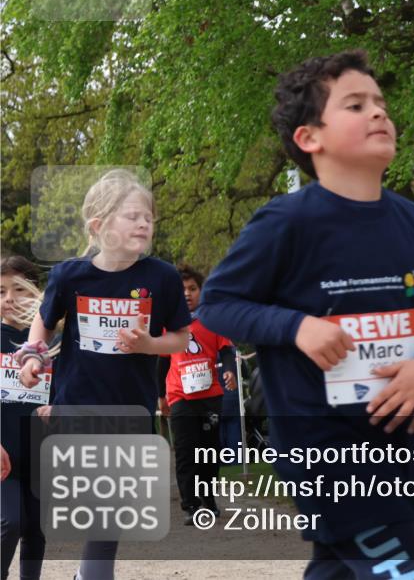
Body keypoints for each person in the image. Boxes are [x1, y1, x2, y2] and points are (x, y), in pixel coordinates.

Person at [198, 50, 414, 580]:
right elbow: (217, 305)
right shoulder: (286, 222)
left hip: (397, 449)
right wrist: (296, 327)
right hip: (324, 451)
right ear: (309, 138)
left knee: (338, 568)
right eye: (356, 105)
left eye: (380, 103)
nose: (379, 113)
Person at [17, 169, 191, 580]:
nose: (144, 223)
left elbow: (182, 339)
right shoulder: (71, 275)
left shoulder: (161, 278)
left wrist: (149, 345)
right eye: (132, 216)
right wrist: (32, 356)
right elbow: (43, 322)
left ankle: (90, 574)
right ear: (99, 226)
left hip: (130, 408)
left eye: (148, 216)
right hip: (76, 405)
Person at [157, 264, 237, 524]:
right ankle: (191, 505)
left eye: (193, 289)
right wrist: (161, 396)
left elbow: (226, 350)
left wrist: (229, 371)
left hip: (210, 396)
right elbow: (161, 362)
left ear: (202, 291)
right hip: (180, 397)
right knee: (185, 452)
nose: (188, 294)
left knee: (208, 452)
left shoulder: (213, 321)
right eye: (182, 291)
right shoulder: (168, 327)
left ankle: (209, 501)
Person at [1, 256, 48, 580]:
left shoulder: (52, 346)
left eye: (19, 289)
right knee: (11, 520)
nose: (9, 299)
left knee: (37, 528)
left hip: (43, 457)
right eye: (1, 291)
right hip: (3, 457)